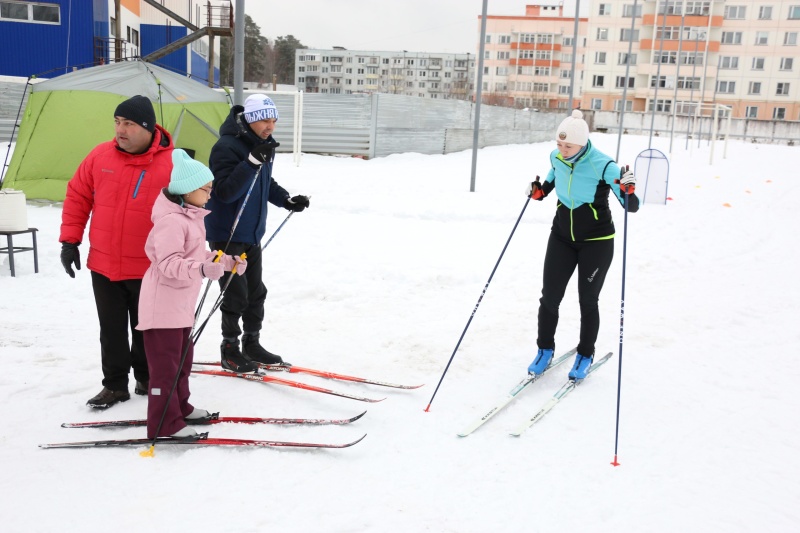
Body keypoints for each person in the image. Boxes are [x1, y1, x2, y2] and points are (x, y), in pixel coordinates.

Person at [60, 95, 174, 409]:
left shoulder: (174, 164)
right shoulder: (100, 155)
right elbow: (77, 196)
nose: (120, 130)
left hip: (148, 267)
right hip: (104, 263)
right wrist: (70, 241)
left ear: (149, 129)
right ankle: (114, 386)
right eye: (117, 122)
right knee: (110, 330)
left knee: (146, 329)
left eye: (128, 124)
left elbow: (193, 210)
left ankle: (147, 378)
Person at [136, 150, 247, 438]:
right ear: (187, 190)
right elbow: (169, 263)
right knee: (165, 369)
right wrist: (201, 269)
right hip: (162, 308)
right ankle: (164, 424)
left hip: (180, 306)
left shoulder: (190, 217)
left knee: (181, 362)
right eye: (206, 189)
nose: (210, 195)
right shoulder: (172, 221)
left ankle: (180, 408)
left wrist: (226, 262)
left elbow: (197, 256)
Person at [526, 109, 639, 381]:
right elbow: (550, 183)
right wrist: (539, 192)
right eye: (559, 144)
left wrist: (628, 190)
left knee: (587, 300)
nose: (562, 150)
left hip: (596, 243)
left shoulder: (603, 165)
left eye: (568, 145)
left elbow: (632, 206)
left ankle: (585, 354)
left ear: (582, 142)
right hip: (562, 237)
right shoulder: (556, 158)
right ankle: (544, 349)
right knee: (549, 297)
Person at [205, 94, 310, 373]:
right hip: (227, 234)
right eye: (265, 119)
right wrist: (250, 162)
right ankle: (230, 349)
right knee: (235, 294)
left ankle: (252, 343)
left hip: (252, 233)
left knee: (255, 292)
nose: (270, 126)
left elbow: (264, 181)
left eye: (274, 120)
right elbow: (225, 192)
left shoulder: (263, 146)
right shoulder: (225, 147)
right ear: (250, 118)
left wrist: (285, 200)